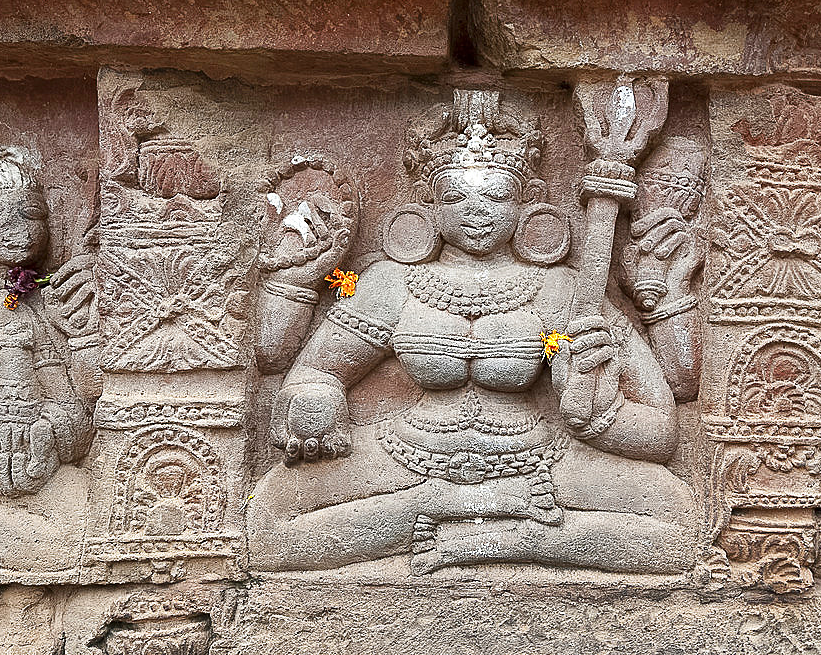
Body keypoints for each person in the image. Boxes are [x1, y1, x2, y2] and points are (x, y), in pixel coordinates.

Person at [249, 91, 701, 575]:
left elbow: (662, 427)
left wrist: (599, 418)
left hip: (537, 461)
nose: (476, 210)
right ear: (428, 206)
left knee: (677, 520)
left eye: (496, 195)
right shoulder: (389, 283)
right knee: (270, 524)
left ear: (528, 203)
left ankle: (495, 540)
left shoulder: (561, 290)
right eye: (455, 196)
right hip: (407, 456)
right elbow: (313, 369)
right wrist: (315, 400)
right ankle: (456, 509)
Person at [0, 135, 98, 571]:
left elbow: (87, 396)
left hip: (52, 457)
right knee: (68, 541)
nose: (13, 225)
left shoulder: (54, 294)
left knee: (83, 528)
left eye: (30, 213)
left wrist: (91, 316)